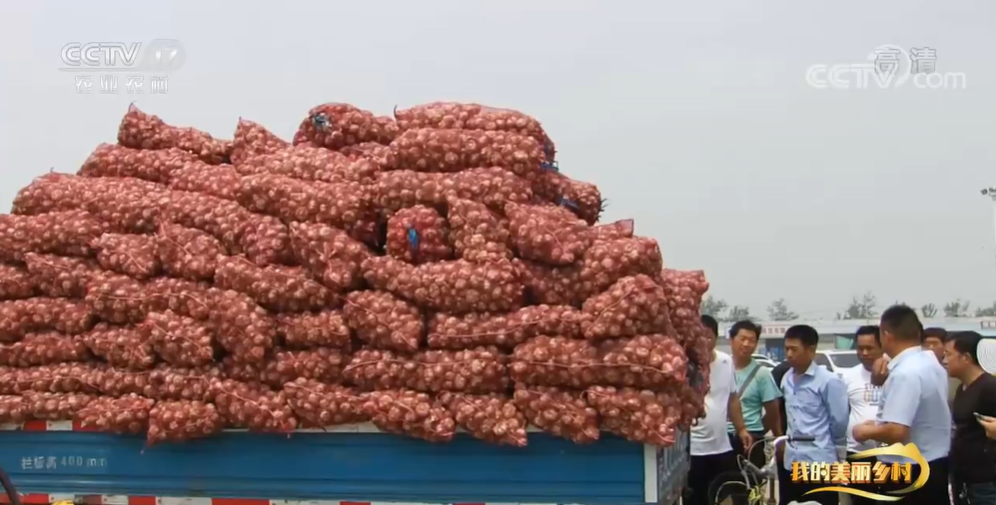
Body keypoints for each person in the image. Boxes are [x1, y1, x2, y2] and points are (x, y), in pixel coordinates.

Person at [852, 305, 951, 505]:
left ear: (886, 335)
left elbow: (897, 431)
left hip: (908, 471)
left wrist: (864, 432)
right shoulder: (931, 364)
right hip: (935, 464)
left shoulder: (905, 373)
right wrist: (879, 423)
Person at [779, 324, 848, 505]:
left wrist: (839, 457)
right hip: (792, 460)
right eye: (786, 349)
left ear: (811, 350)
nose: (789, 354)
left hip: (819, 461)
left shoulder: (828, 381)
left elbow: (839, 421)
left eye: (794, 349)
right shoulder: (786, 378)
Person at [687, 314, 752, 505]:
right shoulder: (685, 364)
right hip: (694, 448)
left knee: (727, 493)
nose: (704, 342)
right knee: (697, 498)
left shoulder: (725, 362)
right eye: (700, 338)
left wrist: (741, 429)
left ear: (716, 338)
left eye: (709, 337)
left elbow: (732, 399)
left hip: (721, 446)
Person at [944, 331, 996, 505]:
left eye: (948, 355)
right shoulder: (961, 389)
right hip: (965, 482)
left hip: (986, 484)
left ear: (965, 357)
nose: (944, 361)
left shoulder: (989, 388)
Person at [727, 320, 782, 469]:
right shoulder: (721, 368)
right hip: (721, 439)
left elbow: (772, 412)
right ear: (731, 340)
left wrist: (757, 432)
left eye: (751, 341)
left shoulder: (762, 374)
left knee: (748, 488)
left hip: (750, 440)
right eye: (742, 339)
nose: (746, 344)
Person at [838, 325, 884, 505]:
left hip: (889, 454)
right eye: (860, 348)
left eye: (870, 348)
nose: (864, 353)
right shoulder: (848, 377)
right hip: (857, 453)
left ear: (882, 346)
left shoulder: (896, 374)